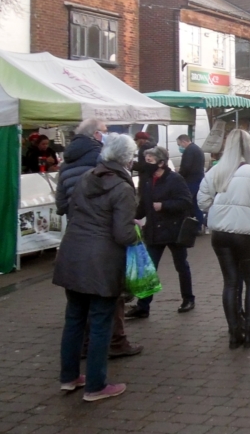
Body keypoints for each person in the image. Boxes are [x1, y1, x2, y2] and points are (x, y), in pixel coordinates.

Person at [53, 134, 139, 402]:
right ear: (126, 159)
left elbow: (72, 211)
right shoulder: (123, 188)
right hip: (102, 263)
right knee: (101, 323)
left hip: (73, 256)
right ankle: (96, 385)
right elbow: (123, 234)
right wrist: (138, 231)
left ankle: (69, 377)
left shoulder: (85, 178)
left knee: (75, 319)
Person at [198, 130, 250, 348]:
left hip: (220, 234)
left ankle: (234, 332)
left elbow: (202, 200)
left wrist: (217, 211)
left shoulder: (215, 171)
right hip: (244, 233)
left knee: (230, 282)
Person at [126, 147, 194, 318]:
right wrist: (133, 217)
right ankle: (143, 307)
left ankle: (188, 299)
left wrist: (164, 205)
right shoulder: (148, 180)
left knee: (181, 266)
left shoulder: (175, 179)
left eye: (149, 161)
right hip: (154, 232)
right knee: (148, 269)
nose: (146, 164)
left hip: (174, 231)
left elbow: (186, 201)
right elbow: (144, 204)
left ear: (161, 163)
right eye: (145, 160)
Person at [176, 134, 205, 229]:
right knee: (196, 204)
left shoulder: (189, 151)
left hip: (191, 181)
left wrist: (179, 175)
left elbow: (186, 167)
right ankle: (200, 225)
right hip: (198, 179)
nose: (180, 147)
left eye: (179, 144)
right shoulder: (197, 149)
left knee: (188, 203)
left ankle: (191, 226)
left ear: (184, 142)